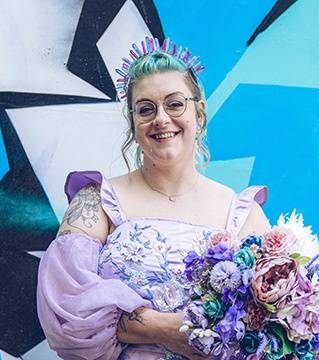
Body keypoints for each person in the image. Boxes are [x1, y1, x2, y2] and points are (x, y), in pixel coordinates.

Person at [36, 37, 271, 360]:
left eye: (175, 104)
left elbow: (264, 330)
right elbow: (64, 307)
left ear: (199, 114)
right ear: (133, 123)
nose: (161, 119)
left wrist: (137, 325)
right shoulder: (98, 202)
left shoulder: (244, 214)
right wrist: (164, 329)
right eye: (146, 109)